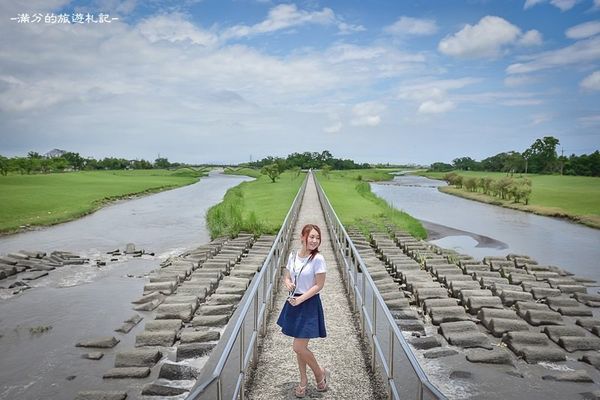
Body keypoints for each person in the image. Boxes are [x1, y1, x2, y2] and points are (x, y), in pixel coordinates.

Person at [276, 223, 329, 398]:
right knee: (301, 348)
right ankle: (303, 381)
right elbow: (287, 274)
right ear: (302, 237)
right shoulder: (293, 255)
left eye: (317, 237)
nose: (314, 240)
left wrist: (300, 299)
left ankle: (319, 373)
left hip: (308, 303)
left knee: (298, 347)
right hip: (293, 302)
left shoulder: (318, 259)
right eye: (311, 237)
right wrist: (287, 282)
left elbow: (319, 285)